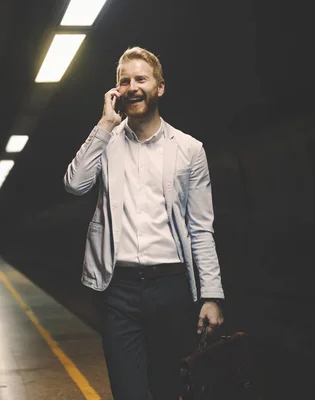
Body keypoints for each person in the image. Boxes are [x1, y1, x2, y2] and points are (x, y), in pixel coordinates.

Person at [63, 47, 226, 399]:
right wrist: (105, 123)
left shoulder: (189, 149)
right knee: (128, 390)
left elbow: (201, 227)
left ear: (160, 88)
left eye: (141, 79)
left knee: (167, 387)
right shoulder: (106, 142)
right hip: (117, 288)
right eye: (125, 81)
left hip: (171, 285)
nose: (133, 87)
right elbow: (75, 185)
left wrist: (211, 295)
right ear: (116, 91)